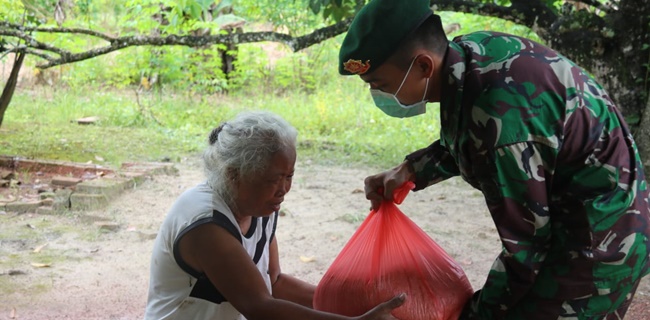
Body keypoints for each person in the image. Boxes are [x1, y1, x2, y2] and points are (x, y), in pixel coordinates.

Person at [338, 0, 650, 319]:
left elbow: (525, 252)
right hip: (588, 212)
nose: (379, 95)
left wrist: (472, 313)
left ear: (423, 67)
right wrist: (410, 169)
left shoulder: (502, 123)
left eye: (381, 85)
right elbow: (469, 134)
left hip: (601, 239)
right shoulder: (471, 56)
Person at [144, 111, 405, 319]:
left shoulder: (261, 206)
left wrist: (350, 305)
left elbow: (275, 283)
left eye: (289, 176)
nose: (283, 190)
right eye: (273, 179)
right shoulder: (206, 225)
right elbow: (259, 306)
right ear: (235, 174)